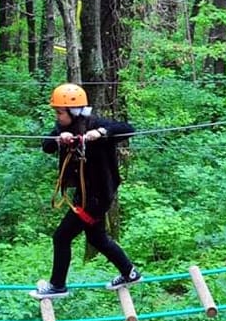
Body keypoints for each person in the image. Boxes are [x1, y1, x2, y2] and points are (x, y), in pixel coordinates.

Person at [29, 83, 142, 300]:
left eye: (60, 112)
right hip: (85, 195)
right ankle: (130, 273)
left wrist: (101, 133)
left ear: (73, 112)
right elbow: (46, 146)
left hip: (97, 197)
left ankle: (57, 286)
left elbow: (128, 128)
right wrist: (58, 139)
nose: (57, 117)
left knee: (61, 237)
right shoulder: (64, 128)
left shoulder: (95, 124)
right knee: (98, 238)